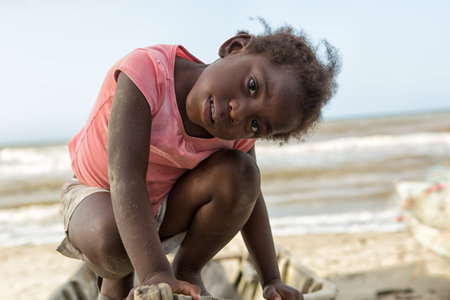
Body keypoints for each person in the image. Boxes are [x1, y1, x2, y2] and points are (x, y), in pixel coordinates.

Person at [57, 23, 340, 300]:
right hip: (95, 194)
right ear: (235, 47)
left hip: (164, 206)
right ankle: (114, 282)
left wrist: (271, 279)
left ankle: (188, 269)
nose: (238, 112)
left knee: (243, 173)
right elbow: (125, 178)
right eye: (252, 86)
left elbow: (251, 201)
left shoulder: (235, 136)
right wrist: (155, 273)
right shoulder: (147, 72)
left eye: (256, 125)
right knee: (111, 242)